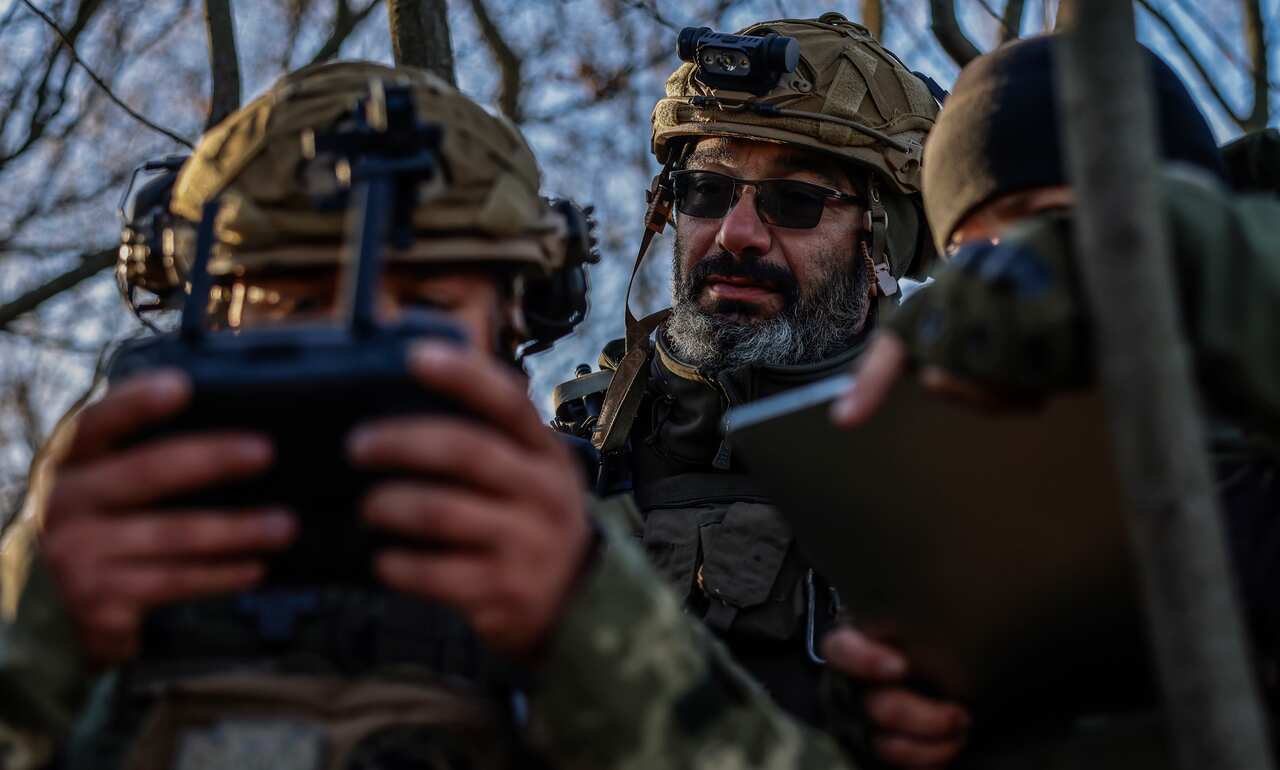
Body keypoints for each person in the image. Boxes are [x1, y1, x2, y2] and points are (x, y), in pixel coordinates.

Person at [0, 61, 856, 770]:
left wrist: (593, 636)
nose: (355, 347)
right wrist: (35, 649)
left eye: (420, 307)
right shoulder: (88, 552)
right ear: (201, 312)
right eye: (298, 302)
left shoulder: (587, 567)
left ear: (515, 325)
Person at [829, 34, 1280, 767]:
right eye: (973, 256)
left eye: (1048, 222)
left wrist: (1130, 269)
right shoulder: (972, 522)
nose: (1008, 274)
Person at [552, 9, 954, 753]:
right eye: (706, 191)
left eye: (795, 201)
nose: (735, 234)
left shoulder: (966, 475)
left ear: (883, 246)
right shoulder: (564, 473)